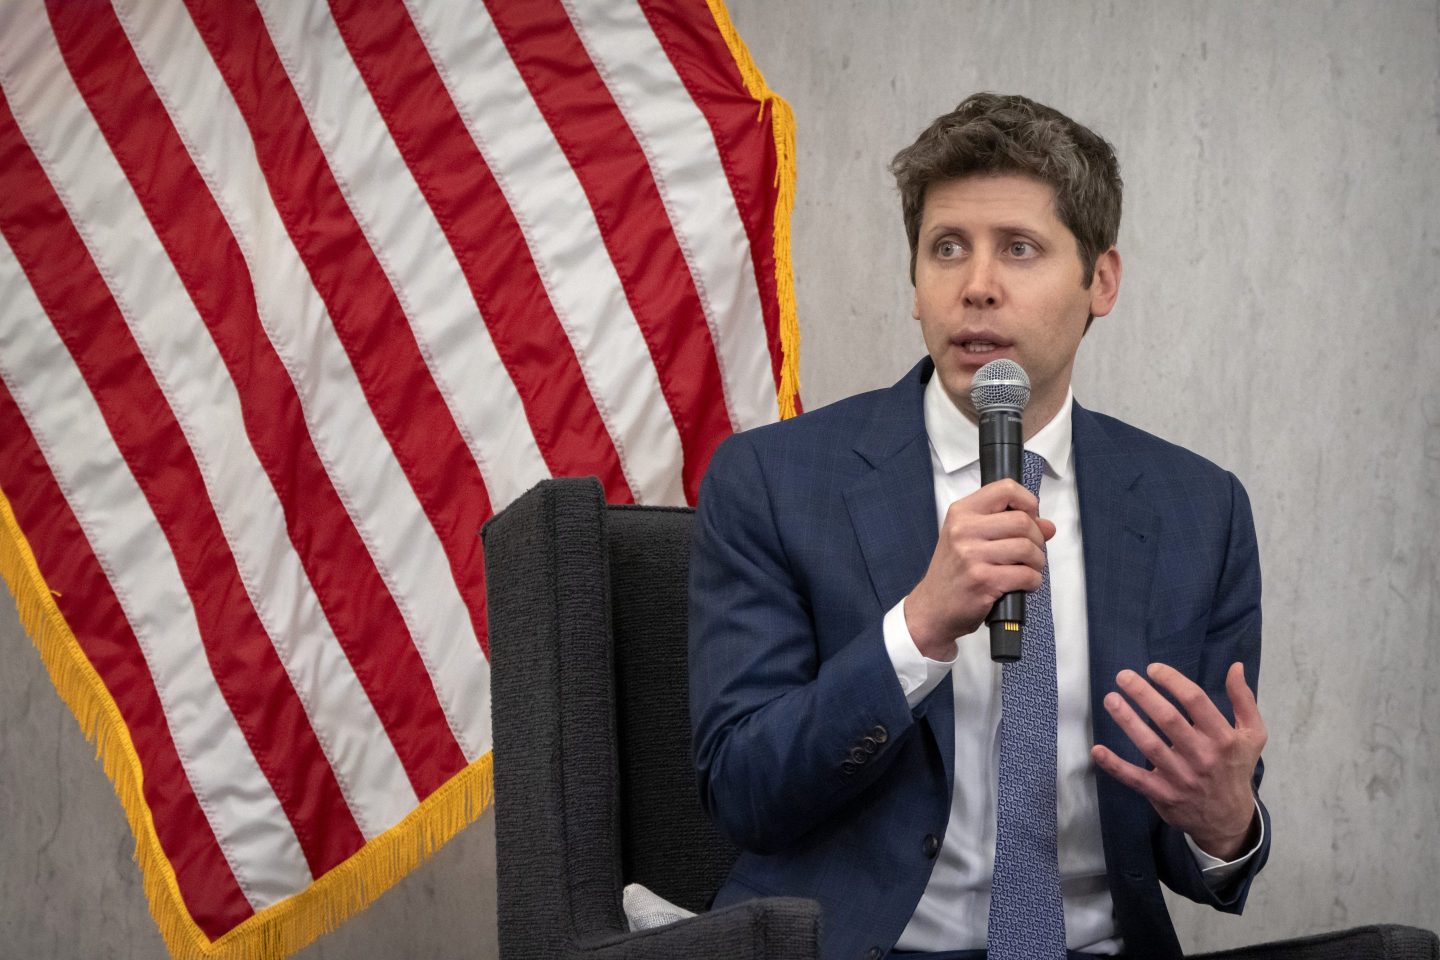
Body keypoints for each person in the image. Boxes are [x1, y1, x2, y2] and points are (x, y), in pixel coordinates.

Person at [688, 93, 1270, 960]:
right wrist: (915, 631)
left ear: (1100, 282)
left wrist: (1227, 826)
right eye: (946, 248)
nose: (978, 285)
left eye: (1020, 249)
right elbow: (742, 790)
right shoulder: (773, 482)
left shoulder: (1199, 509)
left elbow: (1205, 835)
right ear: (916, 284)